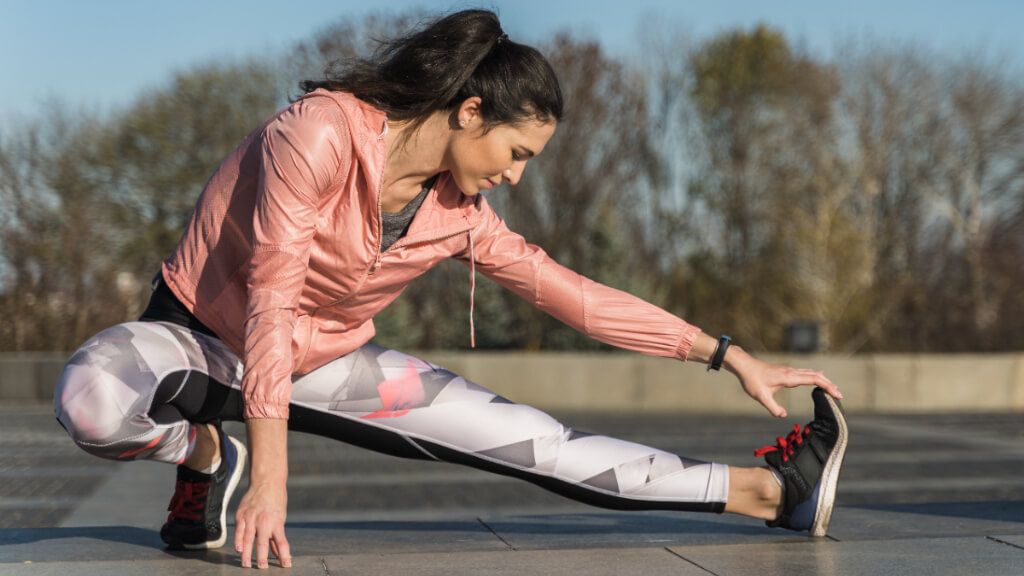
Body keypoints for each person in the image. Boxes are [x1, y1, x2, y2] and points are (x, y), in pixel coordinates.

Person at [52, 9, 847, 570]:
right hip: (201, 334)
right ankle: (204, 453)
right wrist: (268, 478)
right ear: (470, 110)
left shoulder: (460, 214)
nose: (515, 173)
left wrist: (727, 354)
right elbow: (269, 299)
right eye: (517, 150)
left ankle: (774, 494)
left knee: (547, 448)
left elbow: (574, 296)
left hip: (325, 361)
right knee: (92, 394)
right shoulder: (320, 132)